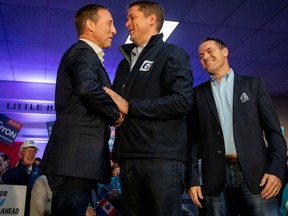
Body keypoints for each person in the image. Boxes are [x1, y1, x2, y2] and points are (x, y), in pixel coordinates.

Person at [104, 1, 193, 215]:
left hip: (161, 159)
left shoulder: (173, 54)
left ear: (151, 19)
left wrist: (130, 107)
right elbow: (119, 105)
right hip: (128, 159)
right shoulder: (124, 64)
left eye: (131, 17)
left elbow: (182, 102)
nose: (126, 23)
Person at [39, 4, 124, 216]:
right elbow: (87, 87)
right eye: (110, 23)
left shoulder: (86, 55)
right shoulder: (82, 52)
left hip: (77, 162)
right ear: (90, 25)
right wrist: (115, 115)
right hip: (75, 161)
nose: (114, 30)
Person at [187, 37, 287, 215]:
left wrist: (277, 170)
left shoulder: (253, 85)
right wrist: (193, 180)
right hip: (215, 178)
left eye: (210, 51)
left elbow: (273, 133)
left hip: (257, 176)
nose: (205, 57)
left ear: (225, 52)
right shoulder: (197, 94)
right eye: (201, 55)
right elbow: (193, 141)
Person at [2, 140, 40, 216]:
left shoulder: (41, 175)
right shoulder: (9, 174)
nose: (31, 154)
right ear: (20, 154)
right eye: (28, 151)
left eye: (34, 152)